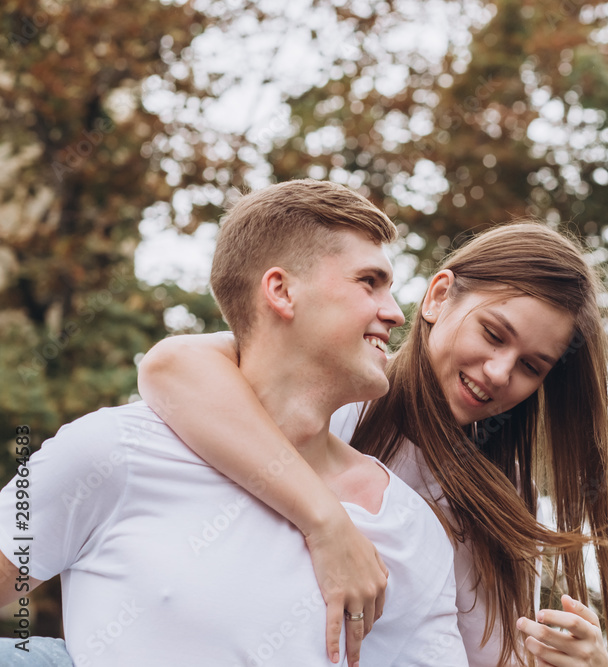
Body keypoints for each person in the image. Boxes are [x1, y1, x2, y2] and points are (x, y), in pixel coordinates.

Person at [0, 180, 468, 667]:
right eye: (368, 282)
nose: (395, 313)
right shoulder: (109, 452)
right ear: (282, 291)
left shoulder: (411, 527)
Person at [138, 222, 608, 666]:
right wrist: (327, 524)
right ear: (438, 296)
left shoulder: (505, 498)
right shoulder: (333, 396)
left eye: (530, 367)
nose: (499, 373)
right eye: (494, 334)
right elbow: (170, 367)